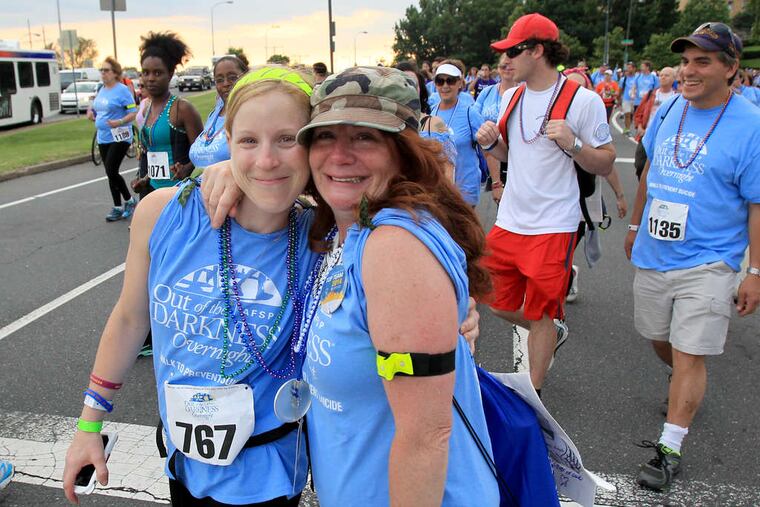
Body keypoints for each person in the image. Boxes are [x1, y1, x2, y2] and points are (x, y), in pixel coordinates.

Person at [200, 67, 497, 506]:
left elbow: (426, 437)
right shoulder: (350, 233)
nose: (339, 155)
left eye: (365, 137)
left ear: (404, 151)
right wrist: (231, 169)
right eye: (324, 136)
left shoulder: (394, 245)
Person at [62, 65, 319, 506]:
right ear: (227, 142)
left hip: (270, 472)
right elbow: (129, 318)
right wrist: (89, 424)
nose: (266, 159)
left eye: (287, 138)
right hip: (181, 459)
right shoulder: (162, 213)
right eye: (249, 140)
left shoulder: (325, 234)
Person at [624, 22, 760, 491]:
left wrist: (755, 271)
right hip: (655, 251)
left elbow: (757, 203)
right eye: (686, 60)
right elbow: (649, 170)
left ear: (730, 68)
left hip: (712, 258)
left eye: (703, 61)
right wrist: (634, 224)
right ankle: (687, 379)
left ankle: (670, 446)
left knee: (688, 353)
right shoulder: (669, 108)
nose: (689, 70)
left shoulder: (752, 126)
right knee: (658, 338)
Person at [477, 13, 615, 394]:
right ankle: (551, 332)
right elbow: (511, 153)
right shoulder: (511, 95)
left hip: (554, 224)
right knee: (493, 298)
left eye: (512, 51)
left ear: (537, 51)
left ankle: (533, 392)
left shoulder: (582, 100)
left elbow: (604, 161)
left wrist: (573, 144)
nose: (505, 60)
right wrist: (491, 144)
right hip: (511, 220)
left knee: (540, 312)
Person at [131, 32, 203, 196]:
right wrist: (145, 178)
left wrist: (187, 168)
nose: (150, 78)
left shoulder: (182, 109)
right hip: (152, 191)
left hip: (178, 193)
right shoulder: (146, 108)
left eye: (157, 73)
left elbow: (202, 152)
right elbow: (155, 154)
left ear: (170, 74)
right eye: (146, 72)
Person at [87, 57, 138, 222]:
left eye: (106, 70)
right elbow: (98, 109)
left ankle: (129, 201)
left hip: (120, 136)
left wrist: (120, 121)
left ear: (115, 73)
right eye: (101, 70)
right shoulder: (102, 89)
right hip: (103, 137)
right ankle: (117, 206)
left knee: (111, 169)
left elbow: (133, 111)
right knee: (110, 174)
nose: (103, 73)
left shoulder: (122, 90)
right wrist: (91, 114)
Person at [431, 62, 485, 207]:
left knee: (463, 230)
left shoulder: (470, 113)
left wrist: (497, 183)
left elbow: (488, 147)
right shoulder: (431, 113)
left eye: (450, 80)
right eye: (440, 81)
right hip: (437, 191)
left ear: (460, 84)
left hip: (464, 191)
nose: (445, 86)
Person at [188, 55, 248, 168]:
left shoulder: (248, 116)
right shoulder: (215, 114)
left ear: (245, 78)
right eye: (219, 80)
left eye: (233, 78)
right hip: (200, 183)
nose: (225, 83)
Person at [474, 52, 516, 202]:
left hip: (518, 157)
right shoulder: (487, 92)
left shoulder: (525, 91)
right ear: (497, 69)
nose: (507, 68)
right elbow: (476, 121)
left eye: (511, 65)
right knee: (503, 207)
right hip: (492, 155)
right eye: (503, 65)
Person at [634, 66, 676, 141]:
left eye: (666, 75)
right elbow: (639, 113)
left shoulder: (677, 97)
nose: (663, 77)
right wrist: (640, 127)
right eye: (661, 75)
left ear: (673, 79)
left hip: (666, 138)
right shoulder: (650, 94)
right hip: (646, 136)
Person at [619, 61, 638, 134]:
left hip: (636, 99)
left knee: (633, 115)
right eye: (627, 68)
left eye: (630, 68)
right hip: (626, 99)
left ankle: (634, 128)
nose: (628, 69)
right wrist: (619, 99)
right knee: (627, 114)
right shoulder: (623, 79)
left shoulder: (638, 78)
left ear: (634, 69)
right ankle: (627, 129)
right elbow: (620, 90)